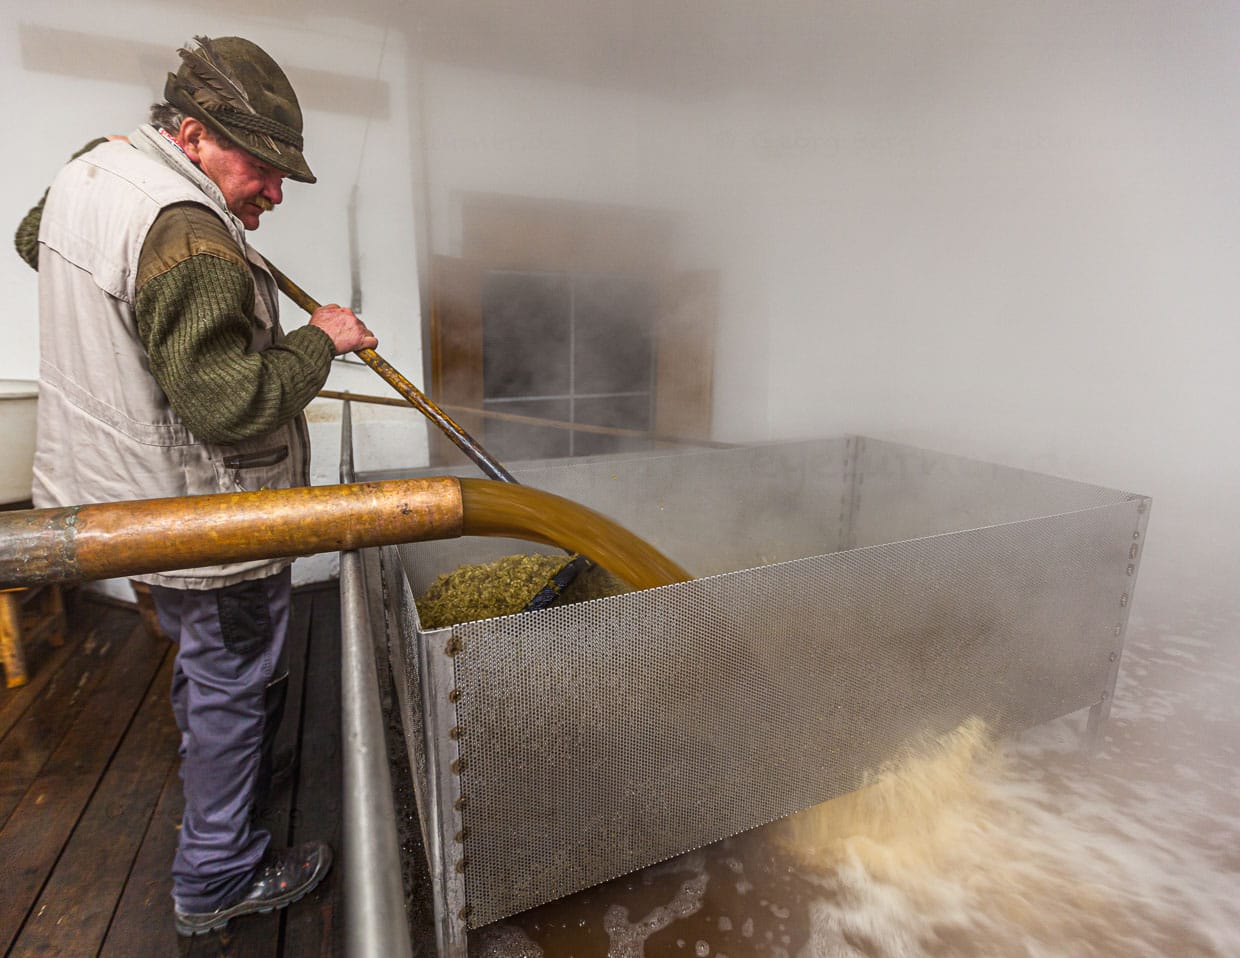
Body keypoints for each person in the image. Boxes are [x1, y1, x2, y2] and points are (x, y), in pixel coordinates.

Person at [13, 35, 376, 936]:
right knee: (233, 678)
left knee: (210, 668)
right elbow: (233, 406)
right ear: (192, 133)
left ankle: (227, 773)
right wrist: (320, 339)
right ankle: (216, 877)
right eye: (263, 167)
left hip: (114, 499)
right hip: (199, 511)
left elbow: (35, 241)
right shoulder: (190, 229)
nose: (275, 193)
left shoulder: (91, 175)